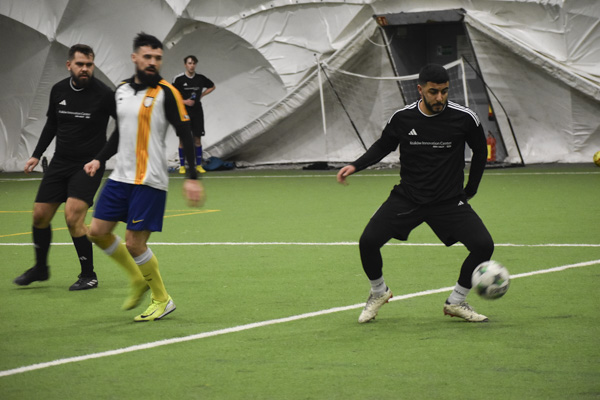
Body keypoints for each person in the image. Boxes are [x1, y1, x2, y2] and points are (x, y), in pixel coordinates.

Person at [337, 64, 494, 323]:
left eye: (444, 91)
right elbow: (383, 146)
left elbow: (479, 151)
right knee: (368, 242)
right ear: (420, 89)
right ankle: (379, 292)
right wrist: (355, 166)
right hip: (408, 198)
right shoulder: (403, 118)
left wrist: (471, 188)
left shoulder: (465, 118)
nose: (439, 98)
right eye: (433, 92)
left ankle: (456, 301)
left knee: (483, 246)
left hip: (448, 200)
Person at [84, 32, 205, 322]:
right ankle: (137, 278)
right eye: (147, 57)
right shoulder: (121, 91)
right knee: (97, 232)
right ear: (135, 58)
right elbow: (120, 133)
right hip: (120, 177)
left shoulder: (167, 92)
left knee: (135, 243)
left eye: (158, 58)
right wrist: (99, 158)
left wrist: (192, 177)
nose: (153, 62)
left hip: (149, 180)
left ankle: (162, 299)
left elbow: (185, 133)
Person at [14, 44, 115, 291]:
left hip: (88, 165)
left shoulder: (104, 94)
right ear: (69, 65)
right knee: (39, 215)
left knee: (73, 216)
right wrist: (36, 155)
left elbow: (122, 130)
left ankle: (89, 275)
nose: (85, 69)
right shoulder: (59, 90)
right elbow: (52, 124)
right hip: (60, 162)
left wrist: (100, 159)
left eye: (89, 64)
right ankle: (40, 268)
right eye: (80, 64)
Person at [172, 55, 215, 174]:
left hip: (197, 112)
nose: (191, 66)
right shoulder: (178, 79)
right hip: (183, 112)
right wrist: (184, 102)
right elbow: (172, 95)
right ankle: (182, 166)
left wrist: (201, 95)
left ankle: (199, 165)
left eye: (193, 63)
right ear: (185, 65)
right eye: (189, 63)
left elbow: (212, 86)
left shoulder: (200, 78)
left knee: (197, 138)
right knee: (182, 139)